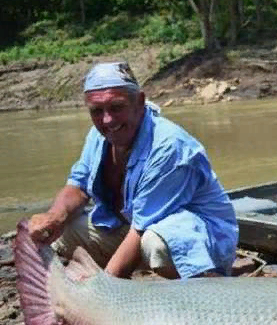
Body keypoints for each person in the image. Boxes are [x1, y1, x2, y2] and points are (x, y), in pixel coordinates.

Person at [28, 61, 238, 279]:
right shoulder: (98, 135)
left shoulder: (169, 146)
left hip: (198, 240)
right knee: (64, 230)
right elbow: (79, 186)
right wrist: (54, 216)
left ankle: (204, 279)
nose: (107, 120)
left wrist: (105, 289)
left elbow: (141, 227)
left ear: (140, 101)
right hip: (134, 228)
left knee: (156, 244)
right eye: (97, 111)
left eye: (116, 107)